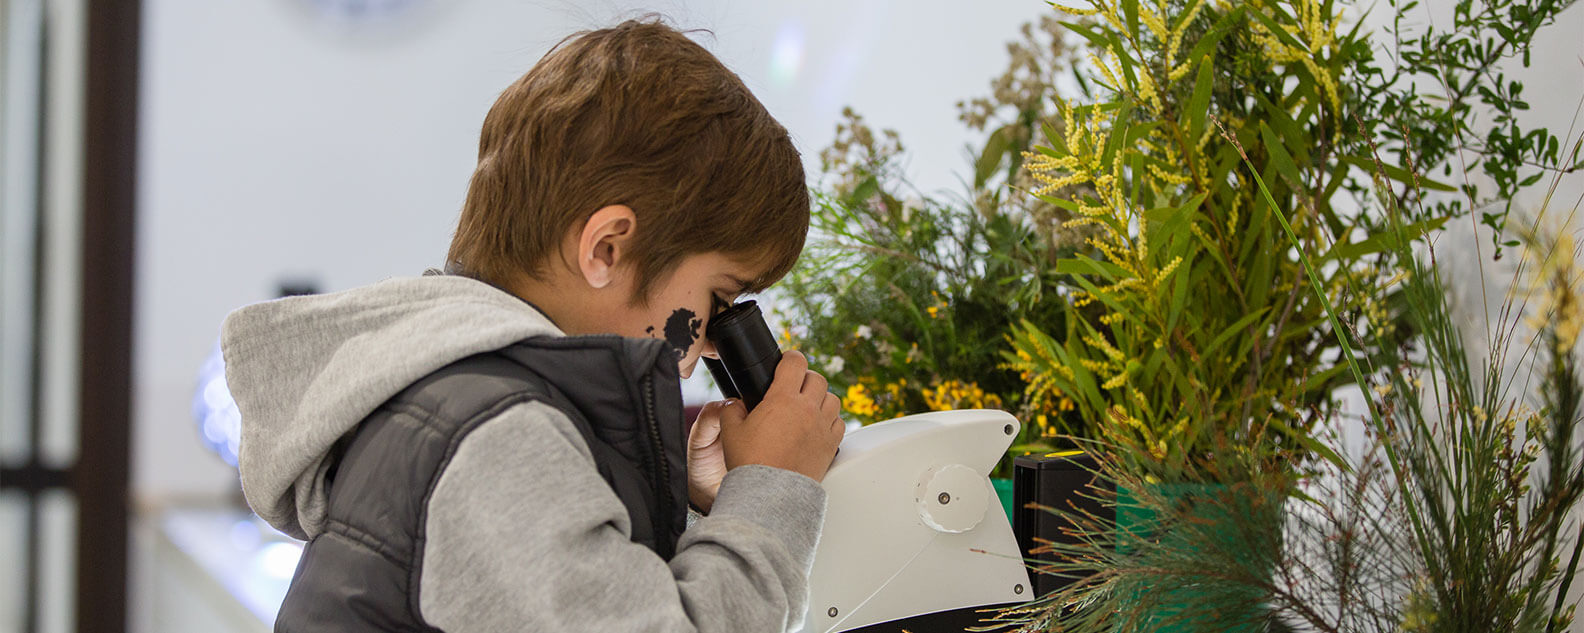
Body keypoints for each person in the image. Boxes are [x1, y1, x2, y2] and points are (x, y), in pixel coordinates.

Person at [221, 18, 844, 632]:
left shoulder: (459, 402)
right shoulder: (498, 437)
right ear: (606, 250)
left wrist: (695, 505)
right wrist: (771, 492)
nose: (712, 339)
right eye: (720, 296)